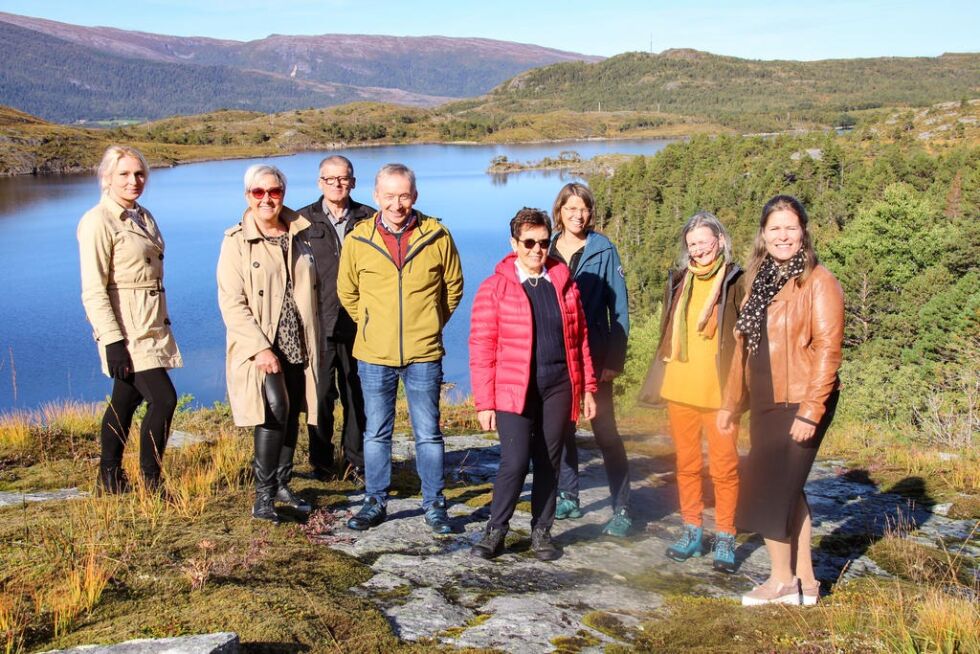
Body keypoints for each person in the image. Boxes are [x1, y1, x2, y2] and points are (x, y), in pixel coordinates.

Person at [717, 195, 844, 606]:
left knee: (773, 489)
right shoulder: (759, 279)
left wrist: (811, 411)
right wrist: (730, 402)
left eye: (791, 227)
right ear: (764, 234)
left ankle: (780, 580)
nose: (783, 236)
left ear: (803, 232)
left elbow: (828, 350)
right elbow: (743, 349)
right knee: (790, 490)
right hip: (766, 400)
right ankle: (806, 581)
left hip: (800, 400)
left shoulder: (819, 281)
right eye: (775, 228)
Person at [337, 163, 464, 533]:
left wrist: (428, 322)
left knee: (428, 432)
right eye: (389, 196)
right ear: (376, 196)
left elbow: (452, 288)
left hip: (424, 352)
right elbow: (347, 291)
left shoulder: (437, 235)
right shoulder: (359, 239)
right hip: (374, 354)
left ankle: (434, 504)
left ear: (415, 196)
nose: (397, 204)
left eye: (404, 195)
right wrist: (373, 322)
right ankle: (375, 501)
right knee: (376, 432)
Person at [469, 208, 597, 560]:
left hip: (558, 386)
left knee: (548, 461)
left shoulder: (563, 282)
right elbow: (481, 347)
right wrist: (484, 402)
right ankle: (495, 530)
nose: (537, 250)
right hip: (514, 391)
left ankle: (542, 531)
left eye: (543, 242)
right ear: (514, 244)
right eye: (529, 243)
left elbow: (580, 339)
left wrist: (587, 389)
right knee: (514, 461)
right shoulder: (494, 288)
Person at [637, 212, 743, 572]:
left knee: (725, 467)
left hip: (719, 390)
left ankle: (726, 535)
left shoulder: (736, 280)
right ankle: (692, 529)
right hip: (680, 386)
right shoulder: (681, 280)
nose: (699, 249)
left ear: (720, 241)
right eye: (692, 243)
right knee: (687, 464)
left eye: (704, 241)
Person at [217, 164, 320, 523]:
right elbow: (231, 301)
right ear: (248, 196)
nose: (266, 199)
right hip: (263, 341)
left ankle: (282, 483)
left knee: (292, 410)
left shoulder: (299, 231)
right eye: (258, 193)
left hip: (297, 335)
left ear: (283, 194)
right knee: (273, 409)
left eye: (273, 191)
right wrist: (259, 347)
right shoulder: (235, 241)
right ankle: (262, 498)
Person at [77, 145, 182, 494]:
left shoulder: (142, 215)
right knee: (164, 399)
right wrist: (112, 341)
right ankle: (151, 482)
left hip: (151, 324)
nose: (133, 181)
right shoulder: (97, 221)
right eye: (124, 174)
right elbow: (93, 289)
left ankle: (109, 477)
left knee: (125, 398)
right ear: (106, 178)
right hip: (127, 331)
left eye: (139, 174)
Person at [548, 183, 632, 537]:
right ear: (560, 212)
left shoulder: (603, 249)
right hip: (556, 356)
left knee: (606, 433)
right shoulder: (546, 248)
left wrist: (614, 359)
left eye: (583, 209)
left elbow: (621, 310)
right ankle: (569, 494)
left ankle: (623, 507)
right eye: (570, 209)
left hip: (595, 355)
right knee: (561, 428)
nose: (577, 215)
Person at [297, 155, 374, 483]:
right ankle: (322, 462)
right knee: (321, 396)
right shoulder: (301, 221)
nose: (337, 184)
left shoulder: (369, 218)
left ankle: (356, 463)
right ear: (320, 183)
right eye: (330, 179)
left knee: (358, 396)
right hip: (319, 324)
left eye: (343, 178)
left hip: (361, 325)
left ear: (353, 182)